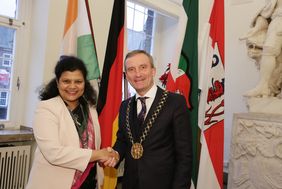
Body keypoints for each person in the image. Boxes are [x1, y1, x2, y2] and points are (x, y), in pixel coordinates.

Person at [26, 56, 118, 189]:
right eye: (66, 81)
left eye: (78, 81)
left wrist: (109, 154)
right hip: (55, 183)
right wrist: (98, 154)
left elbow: (94, 146)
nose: (72, 86)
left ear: (84, 83)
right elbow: (54, 153)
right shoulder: (46, 108)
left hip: (88, 182)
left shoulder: (90, 109)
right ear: (57, 82)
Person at [112, 50, 193, 189]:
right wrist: (115, 155)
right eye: (131, 69)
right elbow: (123, 140)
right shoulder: (125, 106)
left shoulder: (175, 102)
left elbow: (185, 156)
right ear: (126, 75)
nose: (137, 74)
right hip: (130, 183)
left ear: (153, 71)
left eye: (143, 67)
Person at [241, 0, 282, 97]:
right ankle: (263, 86)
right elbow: (266, 13)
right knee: (269, 49)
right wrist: (256, 28)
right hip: (278, 20)